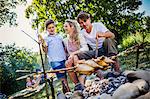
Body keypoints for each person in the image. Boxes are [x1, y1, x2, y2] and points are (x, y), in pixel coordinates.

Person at [41, 19, 70, 93]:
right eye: (49, 28)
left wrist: (67, 55)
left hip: (63, 59)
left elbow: (64, 47)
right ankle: (68, 93)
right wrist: (42, 44)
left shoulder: (59, 37)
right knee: (63, 79)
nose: (51, 29)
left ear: (55, 27)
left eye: (52, 27)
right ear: (46, 29)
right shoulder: (46, 39)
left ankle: (67, 93)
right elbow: (46, 51)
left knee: (66, 77)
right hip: (55, 61)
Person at [63, 19, 89, 89]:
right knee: (67, 63)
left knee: (75, 57)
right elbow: (68, 53)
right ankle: (77, 84)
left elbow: (86, 48)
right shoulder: (65, 40)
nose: (64, 28)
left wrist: (74, 53)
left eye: (66, 26)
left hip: (82, 56)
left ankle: (82, 82)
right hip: (73, 58)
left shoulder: (79, 36)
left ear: (72, 27)